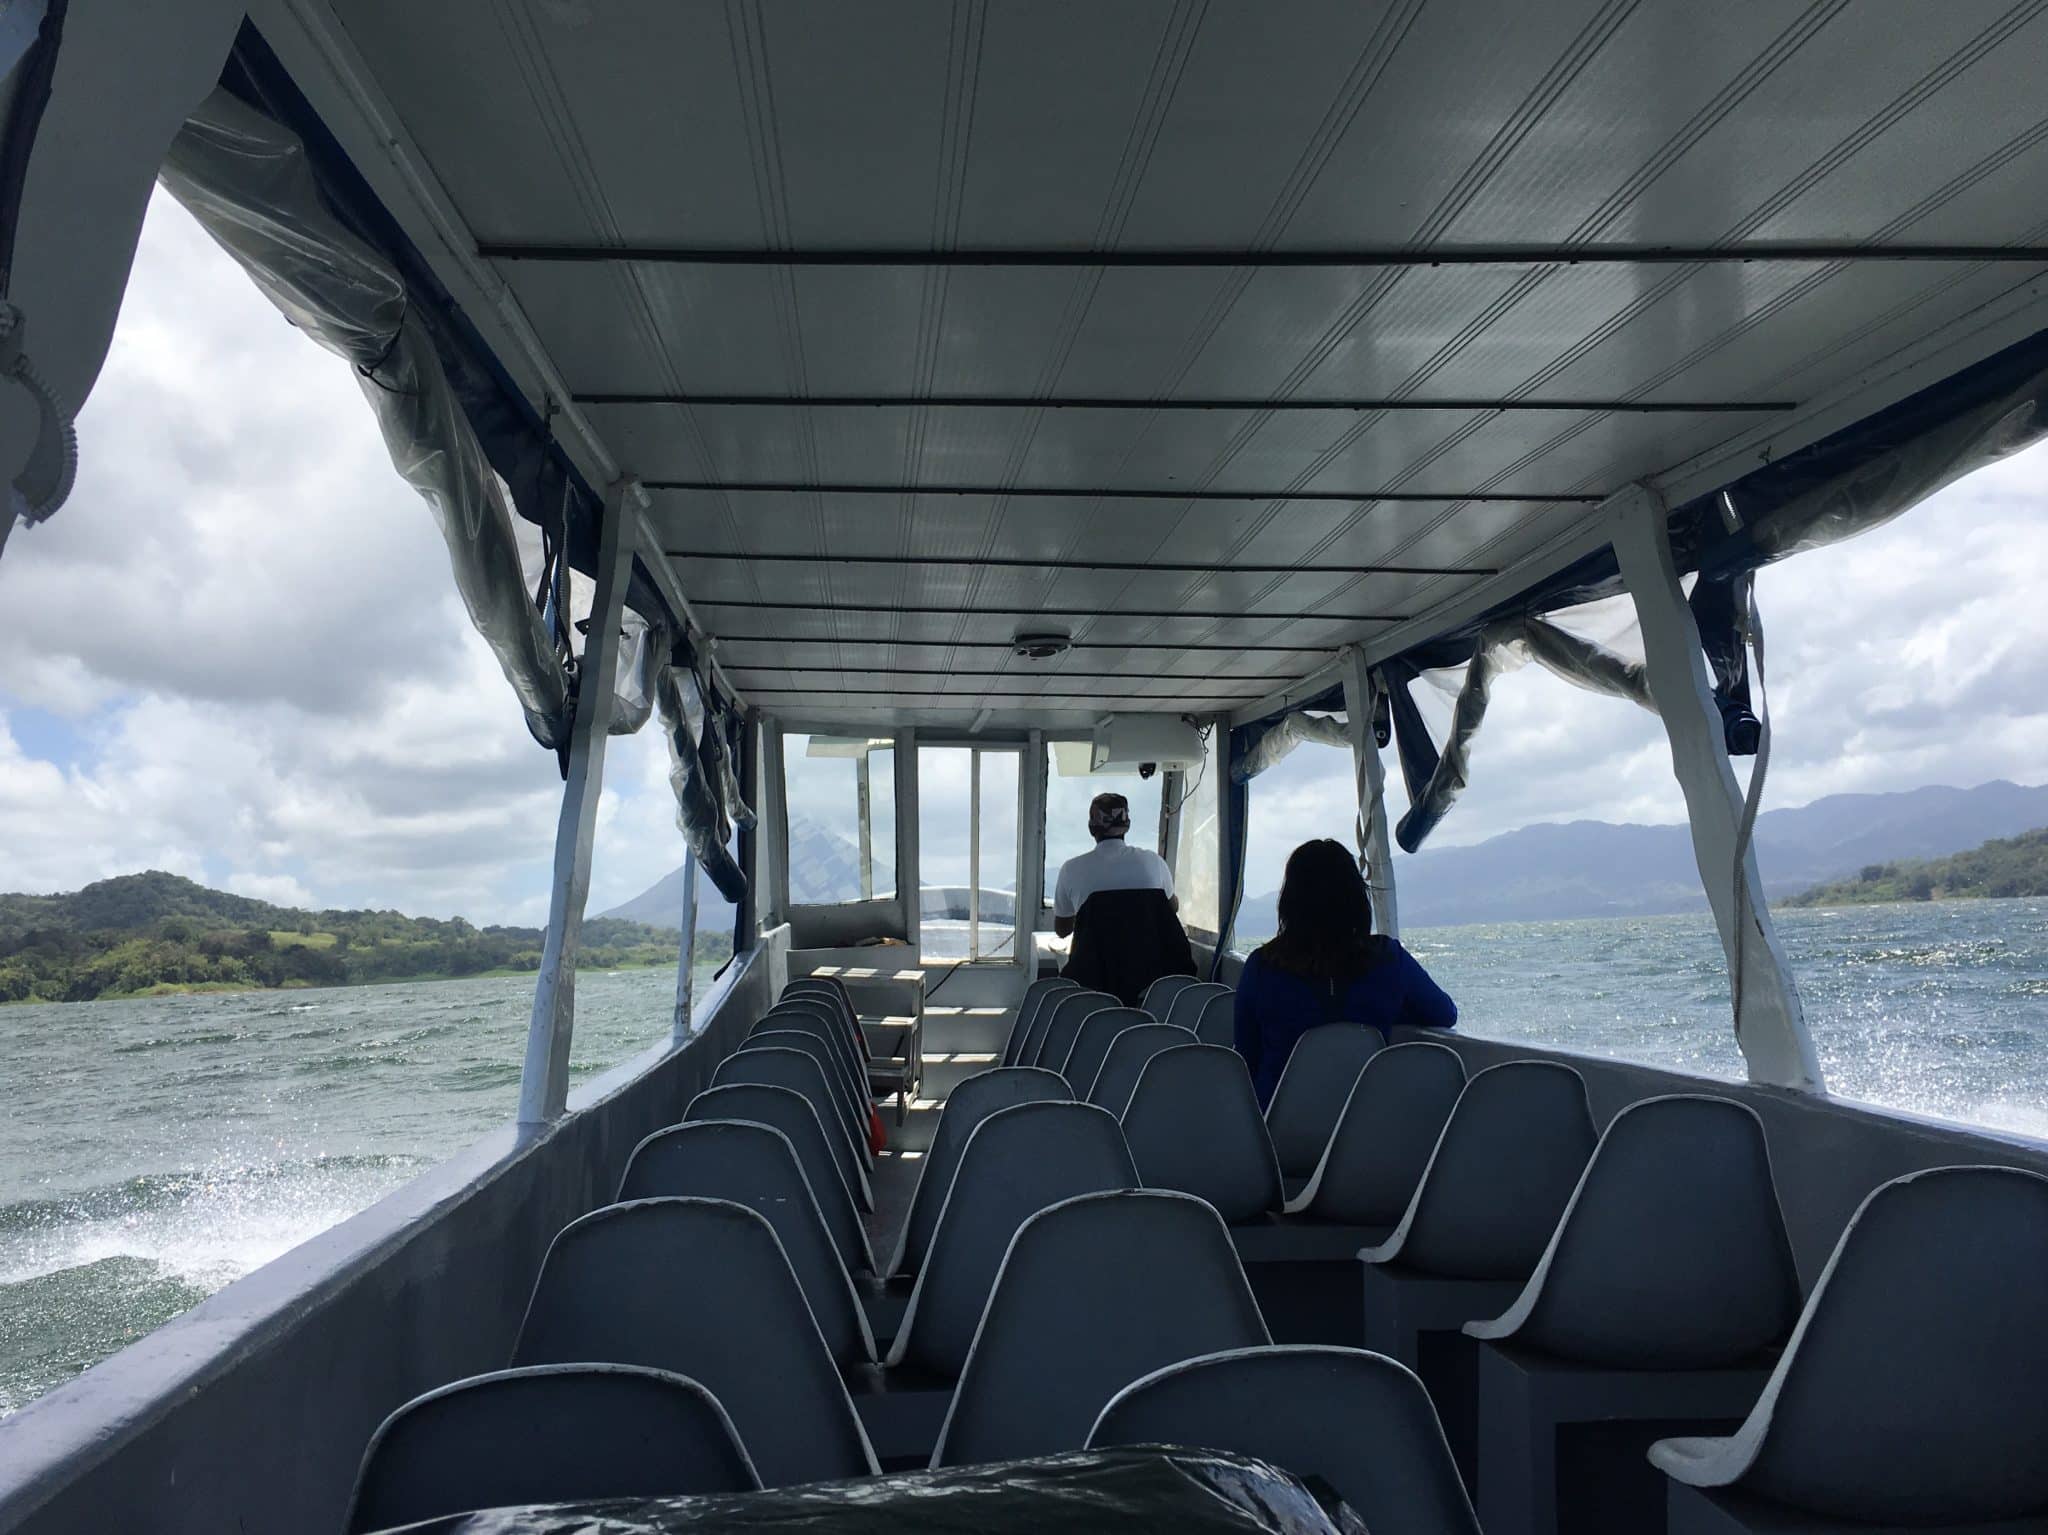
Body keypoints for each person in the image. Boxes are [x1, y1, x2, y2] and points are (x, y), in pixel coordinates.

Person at [1234, 838, 1456, 1107]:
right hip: (1361, 1131)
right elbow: (1444, 1013)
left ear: (1290, 902)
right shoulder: (1389, 959)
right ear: (1356, 898)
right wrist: (1384, 1008)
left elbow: (1247, 1055)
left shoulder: (1262, 967)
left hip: (1274, 1132)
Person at [1052, 791, 1175, 939]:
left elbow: (1062, 930)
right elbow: (1172, 908)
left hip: (1092, 962)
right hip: (1148, 961)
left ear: (1092, 828)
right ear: (1127, 825)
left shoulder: (1070, 870)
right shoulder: (1155, 863)